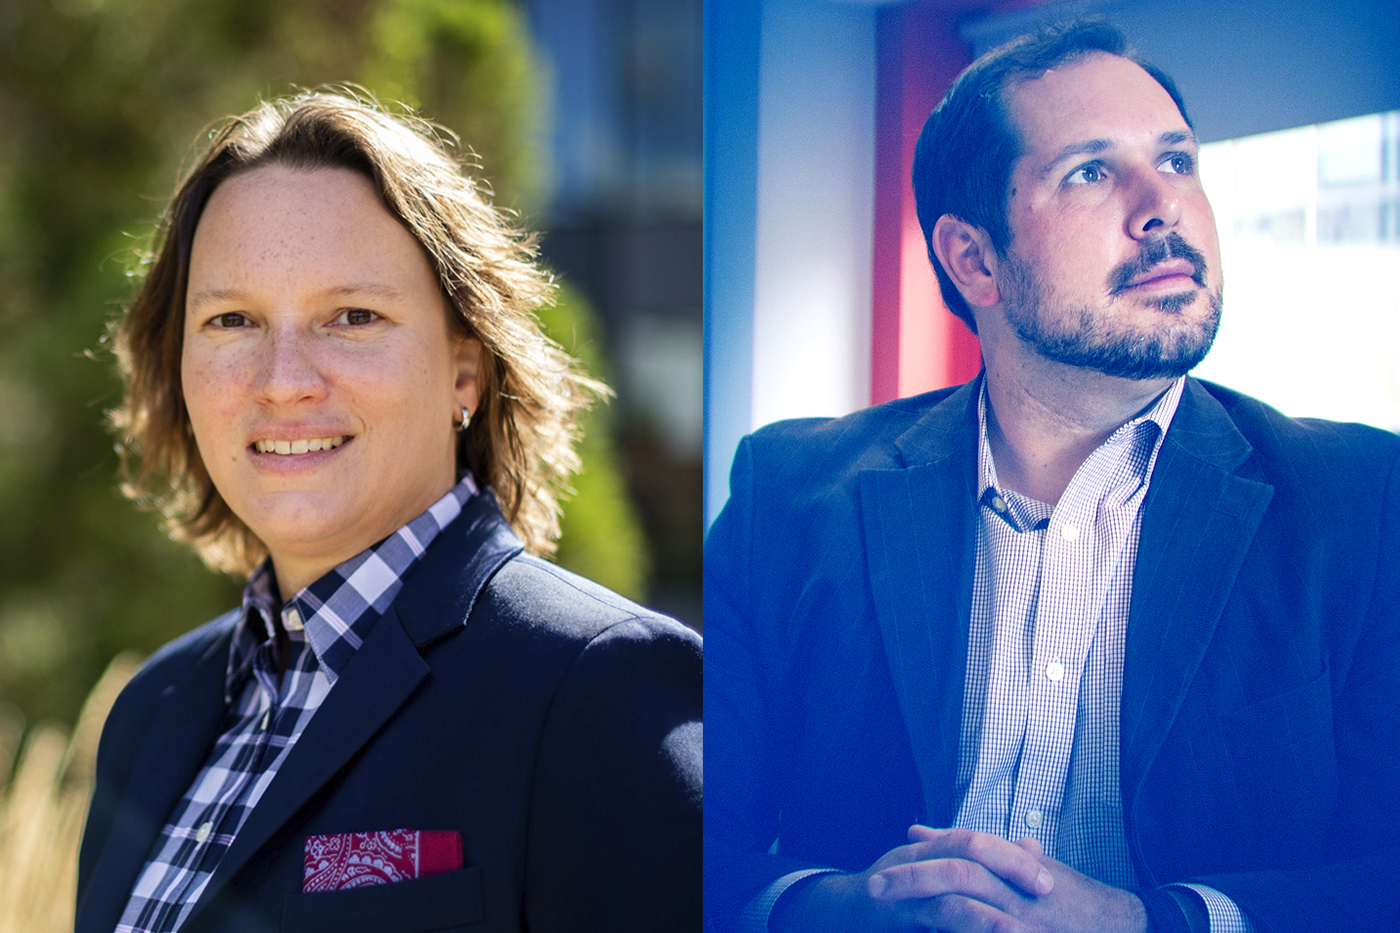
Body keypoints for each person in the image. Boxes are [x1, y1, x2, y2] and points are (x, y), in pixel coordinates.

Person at [704, 20, 1397, 933]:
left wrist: (1159, 923)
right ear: (974, 258)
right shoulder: (783, 496)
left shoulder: (1363, 501)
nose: (1164, 208)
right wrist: (839, 907)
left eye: (1178, 162)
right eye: (1092, 172)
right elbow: (682, 839)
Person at [76, 90, 702, 933]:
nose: (283, 377)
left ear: (465, 373)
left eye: (353, 316)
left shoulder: (598, 688)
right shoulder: (149, 713)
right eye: (232, 319)